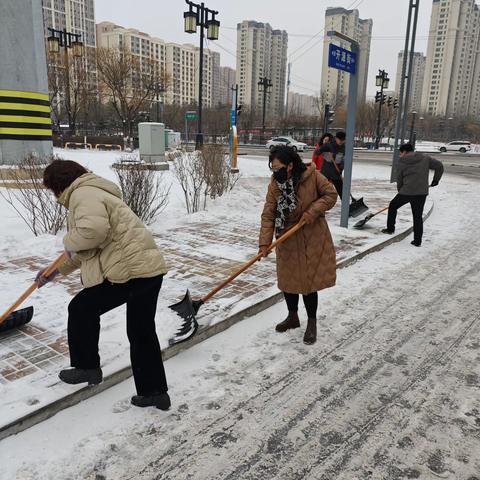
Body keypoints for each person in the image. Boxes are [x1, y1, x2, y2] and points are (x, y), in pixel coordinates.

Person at [37, 160, 171, 410]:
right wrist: (55, 271)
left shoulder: (82, 193)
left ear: (58, 184)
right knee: (141, 332)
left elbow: (92, 232)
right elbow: (89, 245)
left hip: (132, 271)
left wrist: (67, 240)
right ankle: (155, 393)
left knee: (82, 308)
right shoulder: (93, 190)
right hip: (147, 269)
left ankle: (87, 367)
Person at [259, 146, 338, 345]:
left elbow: (331, 195)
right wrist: (264, 243)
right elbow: (269, 213)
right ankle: (292, 317)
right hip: (286, 237)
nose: (275, 172)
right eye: (272, 168)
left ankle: (312, 323)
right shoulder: (275, 184)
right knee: (289, 280)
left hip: (311, 235)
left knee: (308, 283)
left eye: (278, 168)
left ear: (291, 164)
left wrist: (312, 211)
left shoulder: (312, 176)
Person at [382, 143, 444, 247]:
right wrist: (436, 180)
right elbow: (439, 166)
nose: (400, 155)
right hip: (421, 193)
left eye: (400, 153)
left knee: (393, 206)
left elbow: (399, 179)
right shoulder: (425, 158)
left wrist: (400, 190)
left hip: (406, 192)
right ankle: (417, 241)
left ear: (404, 152)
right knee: (417, 216)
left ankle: (390, 229)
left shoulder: (401, 162)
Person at [318, 131, 346, 198]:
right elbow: (318, 152)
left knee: (341, 191)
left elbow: (344, 160)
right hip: (326, 171)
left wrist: (341, 168)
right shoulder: (329, 145)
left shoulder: (344, 148)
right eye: (340, 140)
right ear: (336, 138)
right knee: (320, 190)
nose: (341, 142)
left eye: (343, 140)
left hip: (336, 172)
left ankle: (347, 206)